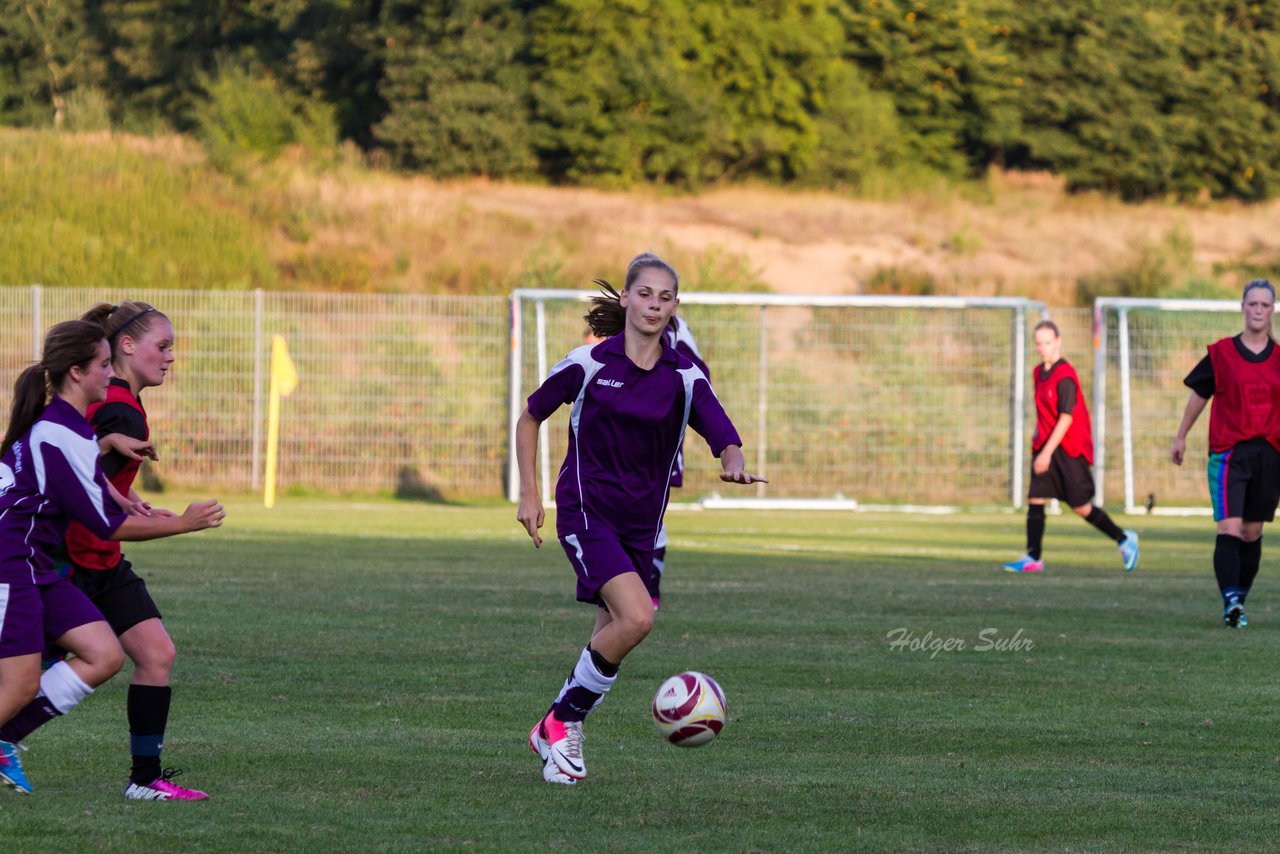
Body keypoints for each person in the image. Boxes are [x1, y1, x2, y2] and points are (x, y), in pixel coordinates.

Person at [516, 253, 764, 785]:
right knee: (637, 618)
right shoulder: (589, 363)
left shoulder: (684, 376)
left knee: (616, 630)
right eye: (645, 294)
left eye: (665, 297)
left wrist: (735, 465)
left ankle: (553, 727)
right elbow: (531, 415)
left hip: (640, 529)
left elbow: (725, 436)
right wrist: (530, 494)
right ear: (626, 298)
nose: (654, 304)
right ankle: (563, 723)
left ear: (676, 307)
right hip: (586, 514)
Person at [0, 320, 224, 796]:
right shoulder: (66, 431)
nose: (110, 373)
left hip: (36, 565)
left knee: (103, 655)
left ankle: (7, 740)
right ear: (77, 372)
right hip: (12, 563)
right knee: (18, 687)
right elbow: (104, 525)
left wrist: (108, 467)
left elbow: (73, 480)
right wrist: (185, 522)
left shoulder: (65, 427)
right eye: (104, 365)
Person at [1171, 279, 1280, 628]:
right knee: (1229, 528)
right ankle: (1230, 600)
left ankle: (1239, 601)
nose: (1258, 310)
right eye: (1253, 304)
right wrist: (1181, 436)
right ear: (1242, 307)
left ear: (1271, 310)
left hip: (1270, 455)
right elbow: (1199, 396)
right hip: (1230, 453)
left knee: (1252, 532)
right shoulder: (1221, 354)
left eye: (1265, 305)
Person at [1003, 319, 1139, 573]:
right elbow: (1044, 412)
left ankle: (1124, 539)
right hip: (1045, 446)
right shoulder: (1037, 373)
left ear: (1058, 341)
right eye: (1039, 343)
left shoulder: (1066, 376)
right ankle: (1033, 558)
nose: (1043, 347)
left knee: (1081, 507)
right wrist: (1038, 442)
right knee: (1035, 497)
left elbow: (1067, 418)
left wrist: (1045, 452)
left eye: (1048, 342)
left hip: (1067, 449)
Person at [647, 314, 711, 611]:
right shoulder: (623, 328)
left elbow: (699, 376)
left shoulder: (675, 329)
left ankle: (649, 586)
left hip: (660, 434)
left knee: (650, 511)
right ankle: (621, 583)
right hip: (617, 436)